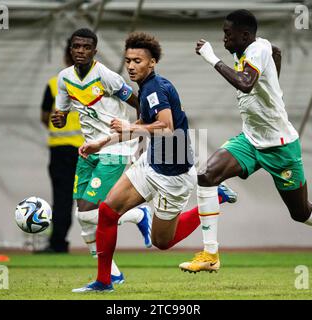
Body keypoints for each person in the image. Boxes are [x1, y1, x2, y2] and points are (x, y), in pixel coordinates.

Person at [179, 9, 312, 273]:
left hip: (280, 146)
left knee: (300, 212)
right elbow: (276, 51)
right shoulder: (250, 50)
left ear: (245, 35)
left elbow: (245, 83)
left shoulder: (256, 50)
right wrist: (271, 86)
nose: (223, 39)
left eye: (227, 34)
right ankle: (210, 254)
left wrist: (212, 58)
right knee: (207, 175)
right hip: (250, 140)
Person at [72, 32, 237, 293]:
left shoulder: (156, 88)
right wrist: (102, 142)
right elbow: (141, 125)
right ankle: (104, 281)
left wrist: (128, 126)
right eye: (128, 60)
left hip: (174, 175)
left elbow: (167, 127)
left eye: (138, 60)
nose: (131, 66)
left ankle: (216, 197)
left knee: (162, 242)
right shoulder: (147, 87)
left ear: (152, 63)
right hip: (152, 163)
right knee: (107, 211)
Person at [52, 28, 152, 284]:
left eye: (87, 47)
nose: (81, 51)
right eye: (77, 46)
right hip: (89, 149)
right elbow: (61, 115)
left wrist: (139, 135)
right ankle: (113, 273)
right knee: (83, 217)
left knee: (88, 212)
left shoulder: (107, 76)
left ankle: (139, 215)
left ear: (94, 51)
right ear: (70, 50)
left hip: (114, 149)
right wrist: (59, 118)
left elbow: (138, 102)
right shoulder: (64, 79)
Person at [38, 38, 84, 253]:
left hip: (61, 149)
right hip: (87, 150)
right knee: (94, 197)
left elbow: (44, 117)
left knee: (62, 197)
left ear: (66, 57)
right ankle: (100, 244)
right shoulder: (93, 83)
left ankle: (58, 243)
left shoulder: (53, 84)